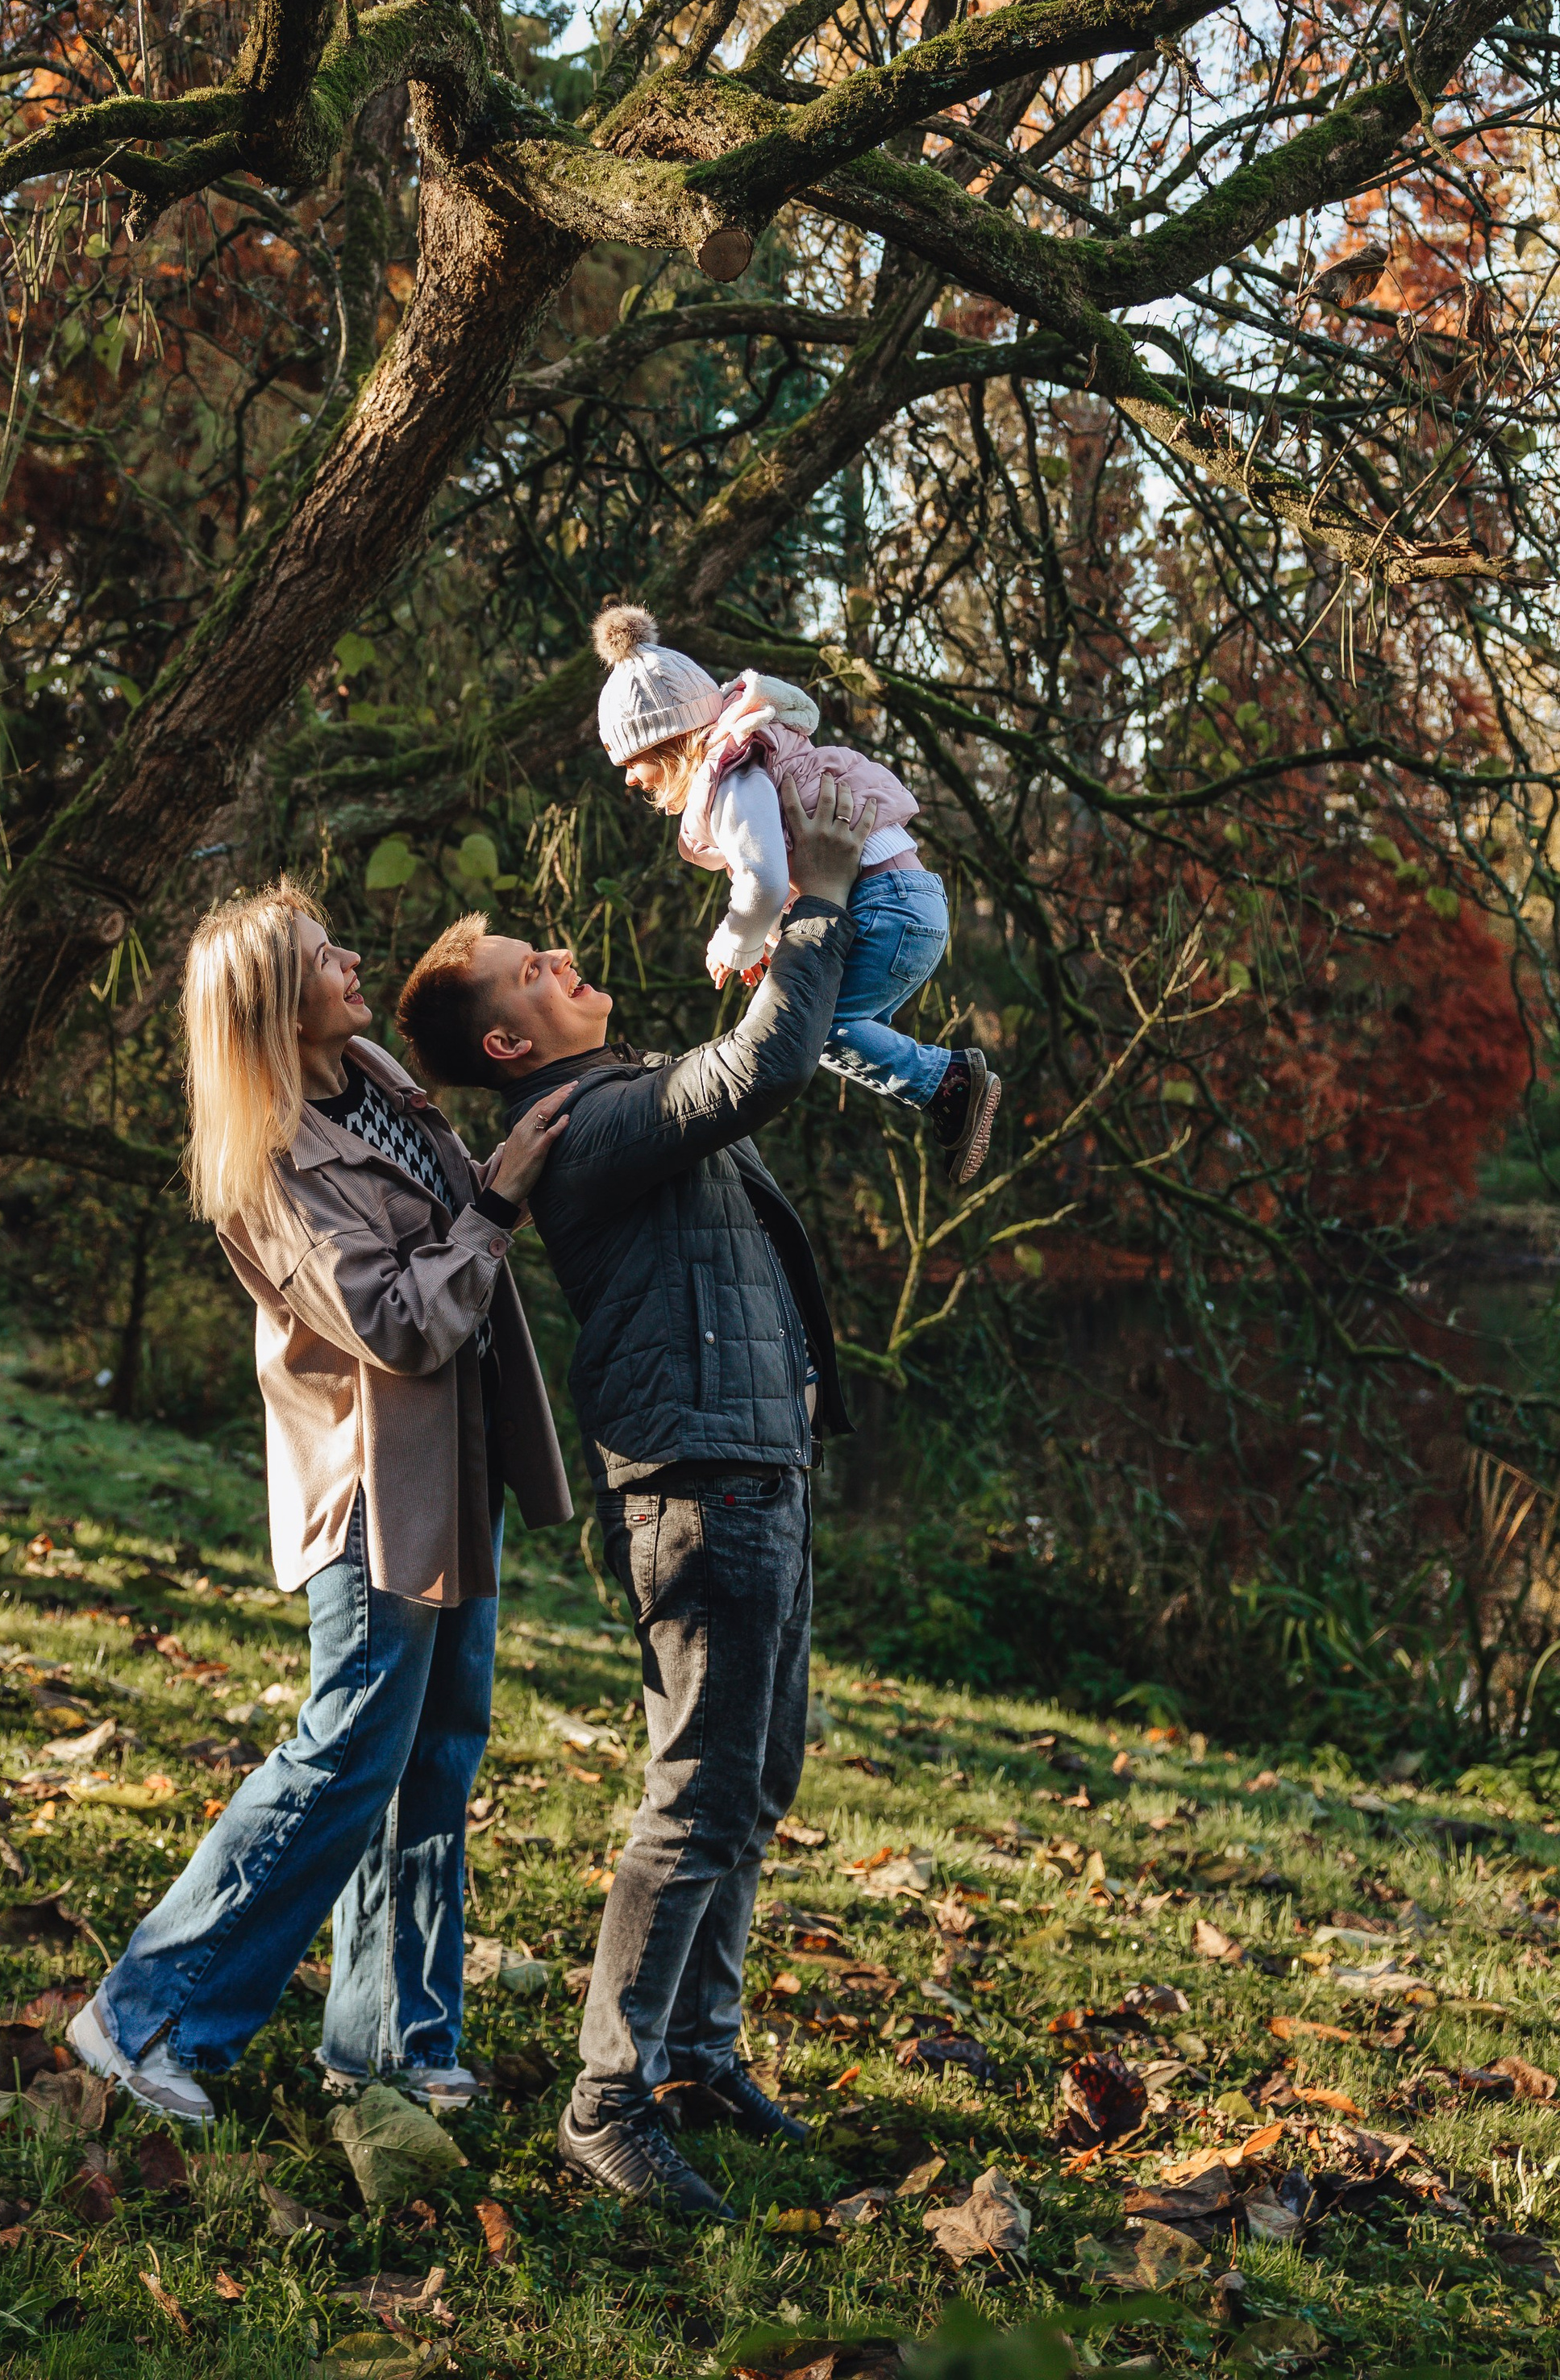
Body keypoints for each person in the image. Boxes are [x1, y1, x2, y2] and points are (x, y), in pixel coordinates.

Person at [393, 775, 868, 2219]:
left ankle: (690, 2059)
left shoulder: (605, 1099)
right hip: (699, 1491)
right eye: (531, 967)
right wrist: (820, 889)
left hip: (752, 1468)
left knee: (753, 1783)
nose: (563, 959)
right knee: (696, 1795)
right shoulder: (586, 1126)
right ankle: (605, 2103)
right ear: (506, 1037)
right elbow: (759, 1072)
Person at [69, 879, 574, 2124]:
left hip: (456, 1475)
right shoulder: (273, 1162)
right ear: (265, 1003)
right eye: (318, 954)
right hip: (372, 1490)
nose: (351, 958)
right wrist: (499, 1203)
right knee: (350, 1744)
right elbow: (398, 1324)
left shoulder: (384, 1090)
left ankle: (391, 2038)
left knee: (434, 1757)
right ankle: (147, 2015)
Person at [589, 603, 999, 1185]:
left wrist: (735, 942)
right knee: (830, 1026)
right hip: (905, 905)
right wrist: (772, 943)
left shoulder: (732, 774)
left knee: (815, 1028)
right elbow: (782, 865)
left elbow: (765, 880)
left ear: (671, 744)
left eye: (632, 762)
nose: (629, 780)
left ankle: (947, 1081)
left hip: (887, 909)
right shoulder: (756, 755)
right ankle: (946, 1091)